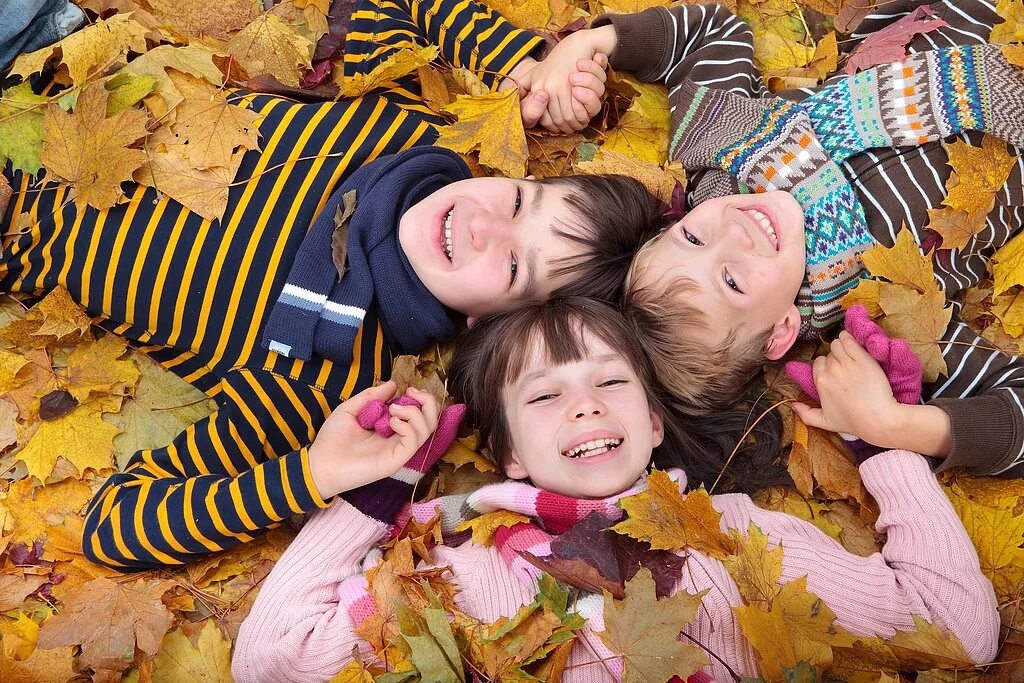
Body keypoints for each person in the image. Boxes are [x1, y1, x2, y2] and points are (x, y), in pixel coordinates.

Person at [0, 0, 658, 570]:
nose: (488, 226)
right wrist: (524, 64)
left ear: (489, 322)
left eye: (516, 266)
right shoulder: (414, 133)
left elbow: (115, 524)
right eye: (519, 203)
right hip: (52, 57)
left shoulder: (321, 376)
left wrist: (312, 473)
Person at [231, 297, 999, 683]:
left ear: (655, 422)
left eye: (608, 382)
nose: (586, 405)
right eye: (544, 397)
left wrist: (887, 443)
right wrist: (379, 493)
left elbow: (958, 630)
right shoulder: (461, 561)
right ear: (509, 455)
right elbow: (272, 656)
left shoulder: (738, 542)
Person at [545, 0, 1024, 476]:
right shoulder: (883, 311)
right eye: (731, 281)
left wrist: (594, 42)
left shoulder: (725, 147)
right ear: (781, 332)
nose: (733, 232)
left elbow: (710, 35)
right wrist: (893, 424)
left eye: (692, 238)